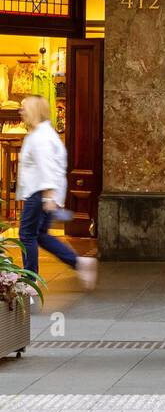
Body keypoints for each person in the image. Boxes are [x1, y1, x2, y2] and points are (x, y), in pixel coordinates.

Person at [17, 95, 97, 289]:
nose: (21, 111)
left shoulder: (40, 138)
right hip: (42, 193)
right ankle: (78, 262)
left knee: (26, 235)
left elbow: (46, 167)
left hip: (39, 193)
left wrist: (48, 196)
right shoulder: (43, 134)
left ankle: (30, 281)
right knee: (40, 235)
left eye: (24, 107)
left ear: (35, 110)